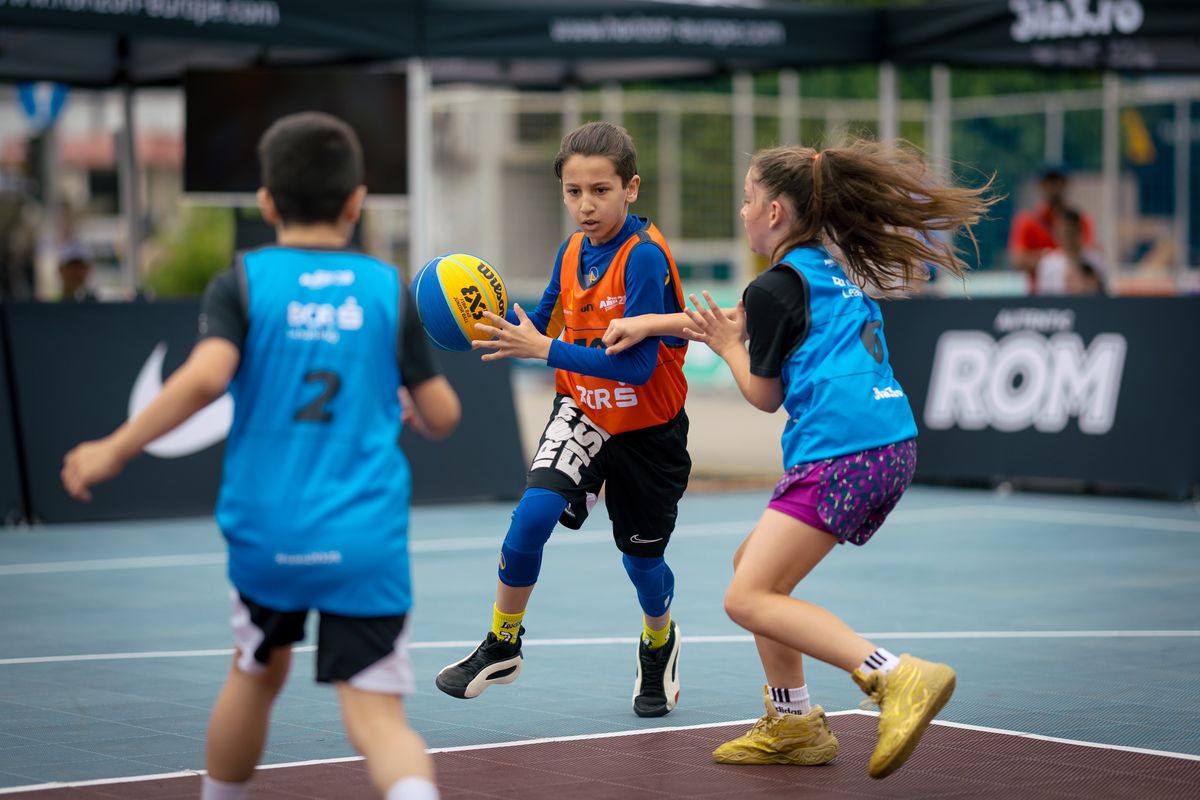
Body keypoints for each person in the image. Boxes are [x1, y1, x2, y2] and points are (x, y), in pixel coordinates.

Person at [60, 111, 460, 800]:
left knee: (253, 673)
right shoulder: (386, 289)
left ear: (267, 203)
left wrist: (114, 448)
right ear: (357, 201)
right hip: (364, 536)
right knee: (376, 715)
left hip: (268, 531)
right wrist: (411, 400)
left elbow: (204, 378)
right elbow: (443, 417)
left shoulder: (243, 282)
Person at [603, 140, 996, 778]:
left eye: (748, 199)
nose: (742, 211)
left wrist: (728, 350)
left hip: (844, 450)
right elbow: (735, 319)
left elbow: (763, 394)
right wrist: (648, 324)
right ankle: (794, 724)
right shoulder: (821, 269)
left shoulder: (774, 286)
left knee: (746, 597)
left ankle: (893, 674)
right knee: (752, 569)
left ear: (776, 212)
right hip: (887, 441)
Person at [433, 121, 691, 718]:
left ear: (631, 188)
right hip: (582, 411)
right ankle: (503, 644)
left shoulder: (643, 258)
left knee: (642, 562)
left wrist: (543, 349)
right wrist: (487, 317)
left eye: (600, 190)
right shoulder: (572, 250)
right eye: (574, 192)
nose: (585, 205)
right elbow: (544, 318)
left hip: (648, 428)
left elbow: (637, 368)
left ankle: (659, 640)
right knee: (530, 518)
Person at [1008, 165, 1095, 293]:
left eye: (1057, 182)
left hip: (1076, 292)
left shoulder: (1080, 220)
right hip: (1040, 293)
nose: (1053, 187)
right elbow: (1018, 261)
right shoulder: (1028, 221)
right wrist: (1053, 259)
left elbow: (1087, 256)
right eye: (1048, 182)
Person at [1035, 208, 1107, 296]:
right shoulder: (1047, 264)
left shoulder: (1096, 261)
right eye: (1065, 233)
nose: (1069, 239)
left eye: (1072, 233)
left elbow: (1104, 294)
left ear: (1080, 232)